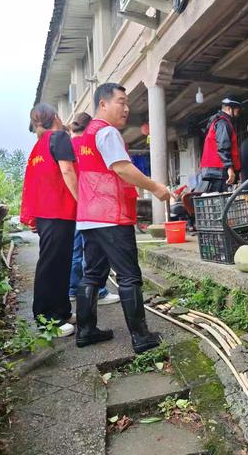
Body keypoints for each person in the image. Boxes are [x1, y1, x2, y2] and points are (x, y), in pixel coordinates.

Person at [75, 82, 172, 352]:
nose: (126, 108)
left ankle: (85, 330)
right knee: (129, 276)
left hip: (90, 217)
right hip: (111, 216)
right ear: (103, 104)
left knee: (92, 274)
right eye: (121, 101)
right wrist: (156, 188)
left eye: (127, 102)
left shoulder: (87, 134)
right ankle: (141, 337)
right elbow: (122, 169)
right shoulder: (106, 132)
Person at [20, 103, 78, 337]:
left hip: (46, 213)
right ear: (55, 117)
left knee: (59, 262)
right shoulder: (59, 137)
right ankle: (46, 319)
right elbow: (67, 171)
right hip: (58, 210)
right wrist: (82, 201)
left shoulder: (38, 146)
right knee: (52, 264)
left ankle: (61, 310)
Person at [68, 113, 119, 305]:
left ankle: (73, 289)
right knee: (93, 253)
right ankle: (100, 292)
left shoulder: (68, 145)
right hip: (90, 205)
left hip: (72, 205)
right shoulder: (89, 143)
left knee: (75, 251)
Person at [199, 96, 242, 192]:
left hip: (214, 170)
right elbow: (223, 146)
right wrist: (230, 168)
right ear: (229, 109)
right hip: (218, 170)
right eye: (237, 111)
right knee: (221, 202)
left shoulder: (217, 121)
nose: (238, 114)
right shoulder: (223, 123)